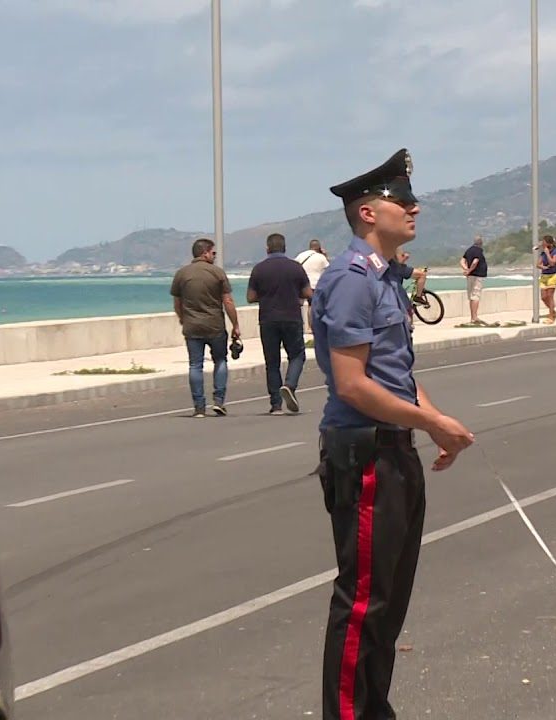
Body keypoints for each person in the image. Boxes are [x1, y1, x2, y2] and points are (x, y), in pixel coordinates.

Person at [311, 148, 474, 720]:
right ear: (367, 213)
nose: (414, 207)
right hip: (366, 458)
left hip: (393, 451)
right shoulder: (352, 280)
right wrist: (431, 422)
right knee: (363, 605)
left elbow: (396, 375)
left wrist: (436, 425)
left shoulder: (388, 278)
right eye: (400, 199)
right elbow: (353, 386)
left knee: (389, 603)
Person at [171, 238, 241, 417]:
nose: (215, 256)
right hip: (215, 326)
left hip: (192, 326)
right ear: (205, 253)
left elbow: (177, 303)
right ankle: (219, 400)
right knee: (220, 360)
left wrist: (182, 319)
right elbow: (227, 301)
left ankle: (199, 407)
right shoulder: (217, 273)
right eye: (213, 253)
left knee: (195, 365)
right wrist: (235, 325)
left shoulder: (182, 274)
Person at [248, 233, 312, 414]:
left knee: (272, 361)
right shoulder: (295, 268)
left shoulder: (259, 269)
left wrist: (266, 295)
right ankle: (290, 385)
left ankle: (275, 404)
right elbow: (308, 292)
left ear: (267, 248)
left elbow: (250, 297)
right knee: (297, 355)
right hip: (292, 317)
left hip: (268, 319)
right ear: (284, 248)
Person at [460, 235, 489, 324]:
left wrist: (466, 269)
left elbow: (461, 261)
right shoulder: (478, 251)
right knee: (476, 296)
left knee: (471, 296)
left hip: (470, 276)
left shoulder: (469, 250)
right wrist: (469, 270)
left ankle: (473, 317)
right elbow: (475, 262)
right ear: (481, 243)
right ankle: (474, 317)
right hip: (477, 276)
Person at [537, 235, 556, 322]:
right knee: (543, 297)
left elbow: (553, 263)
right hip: (544, 276)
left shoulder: (555, 252)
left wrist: (547, 253)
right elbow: (538, 264)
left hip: (552, 276)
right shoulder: (543, 253)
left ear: (549, 243)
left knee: (550, 296)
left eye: (544, 243)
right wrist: (542, 267)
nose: (543, 245)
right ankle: (553, 311)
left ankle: (551, 316)